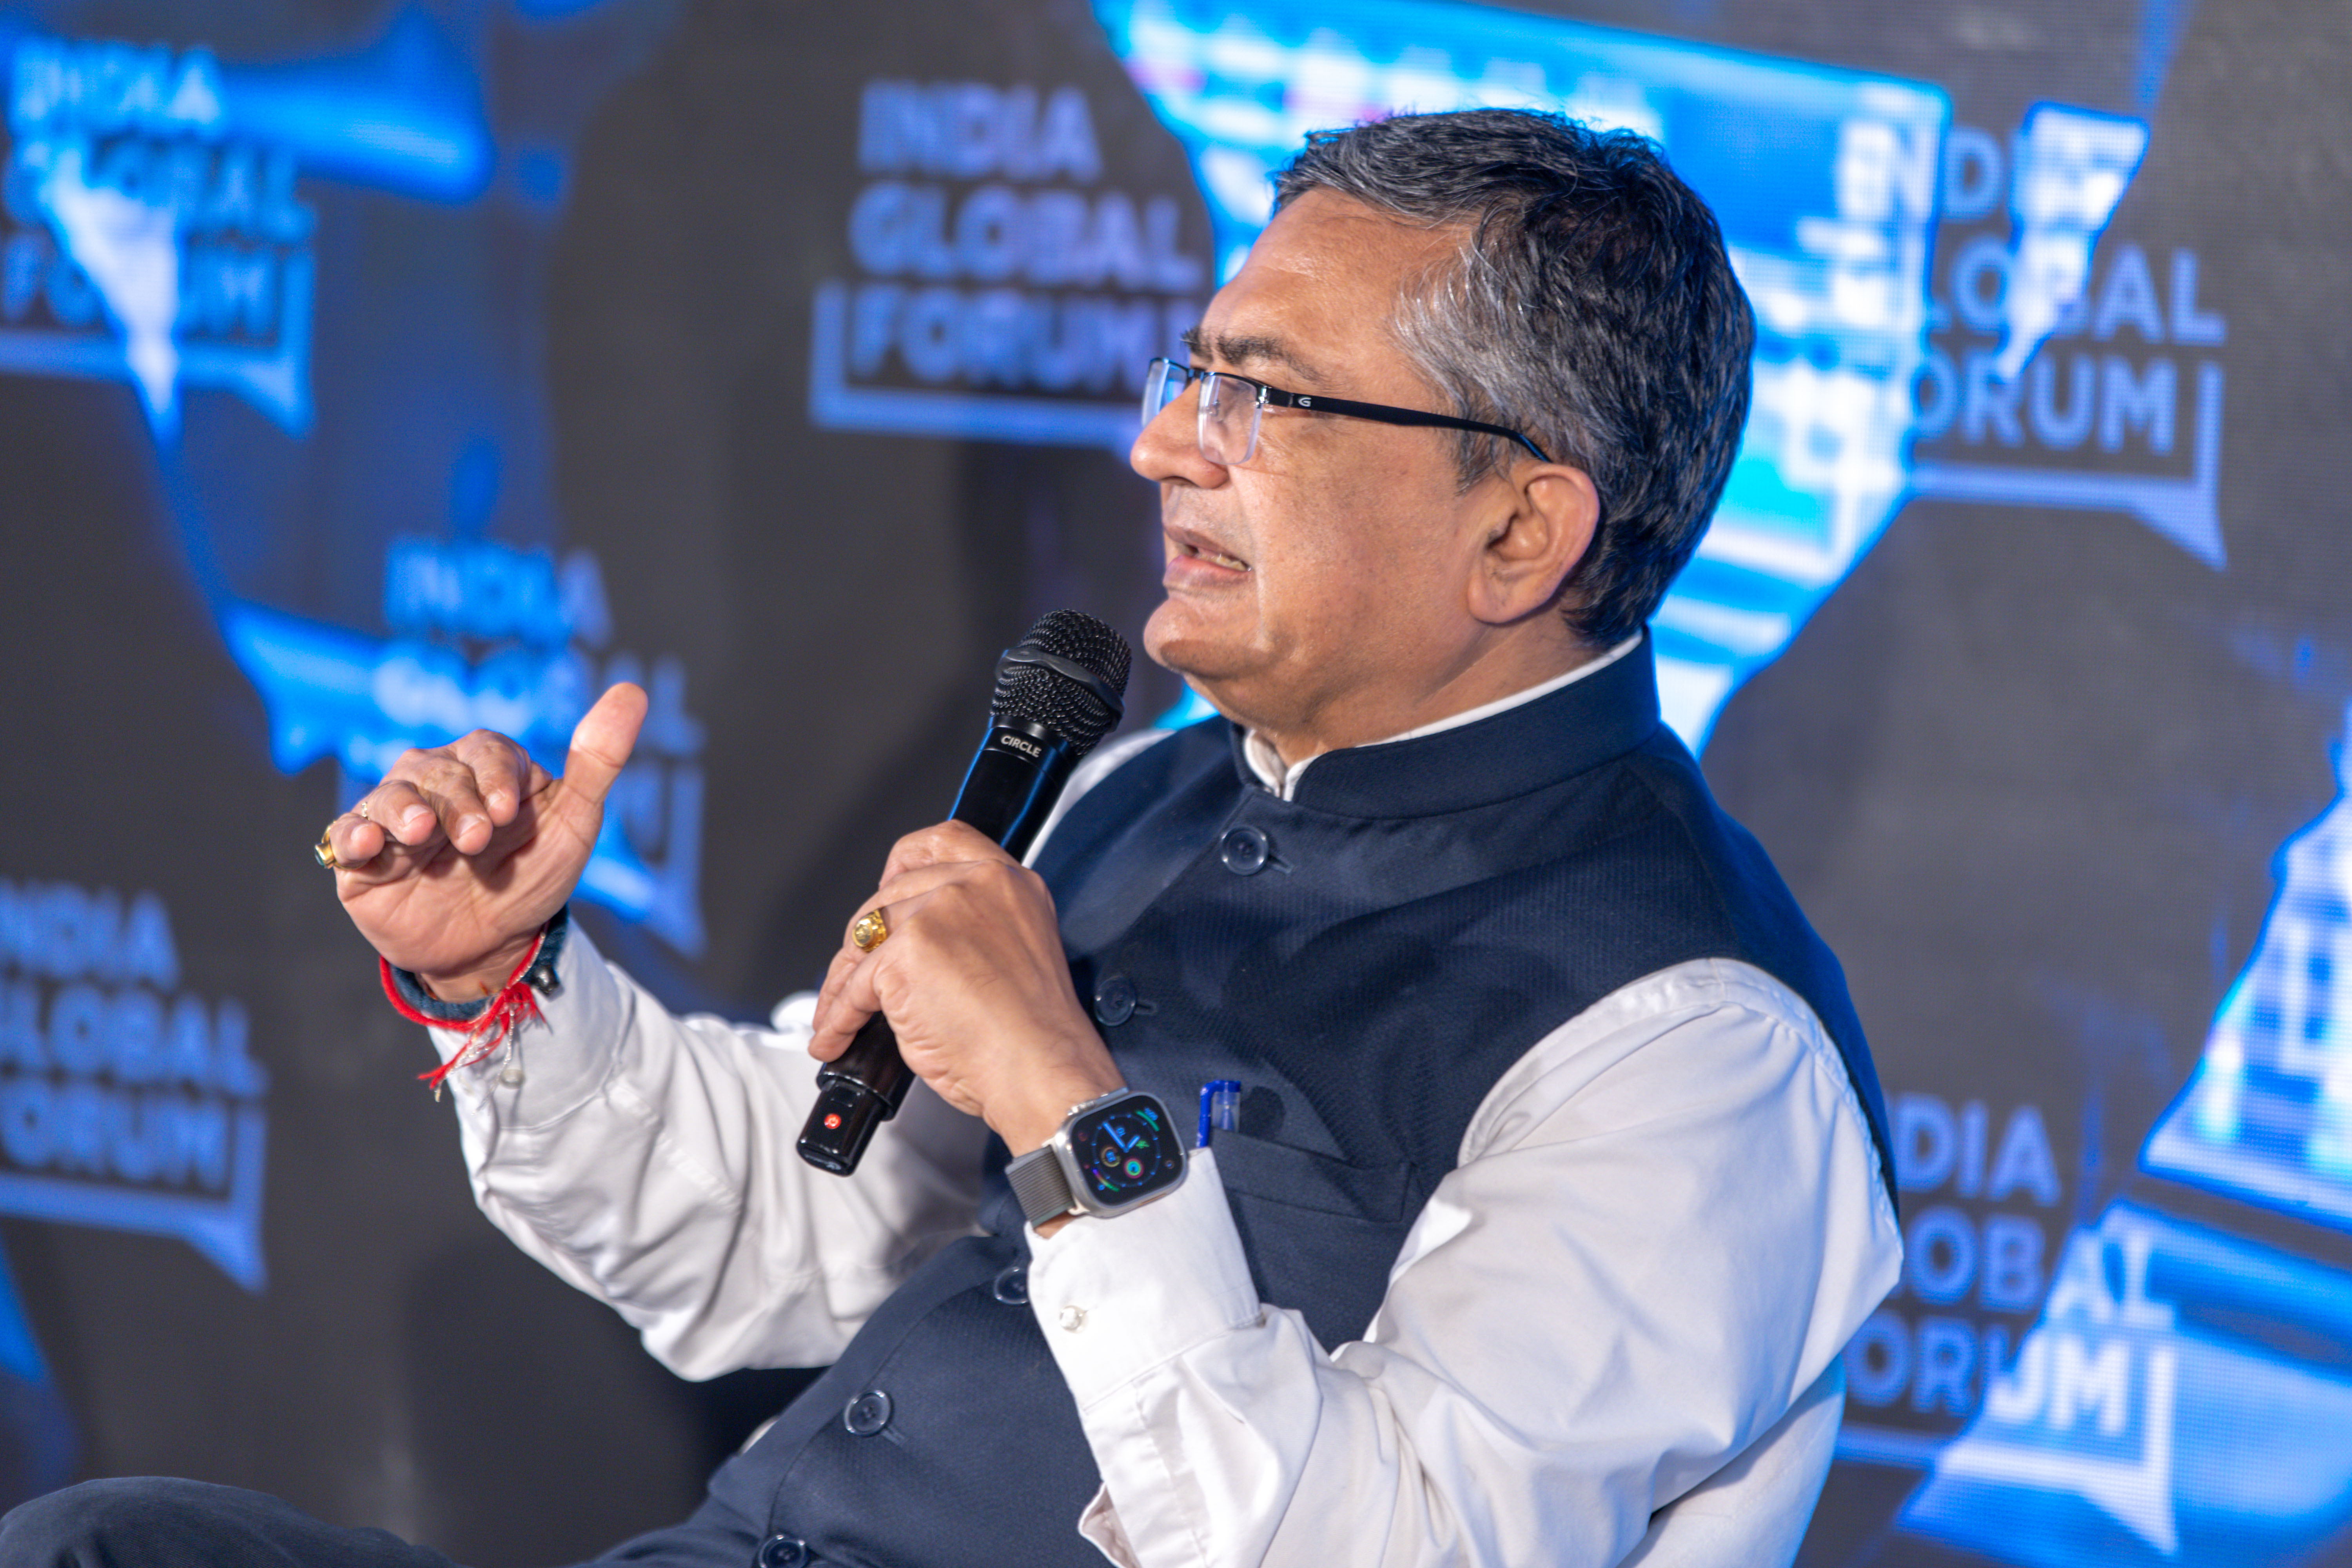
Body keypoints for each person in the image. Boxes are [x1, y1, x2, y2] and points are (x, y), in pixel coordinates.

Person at [3, 108, 1900, 1568]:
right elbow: (785, 1226)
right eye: (1193, 375)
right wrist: (504, 982)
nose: (1169, 447)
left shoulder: (1695, 1050)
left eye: (1267, 400)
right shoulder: (1141, 789)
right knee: (107, 1545)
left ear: (1520, 532)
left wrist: (1074, 1110)